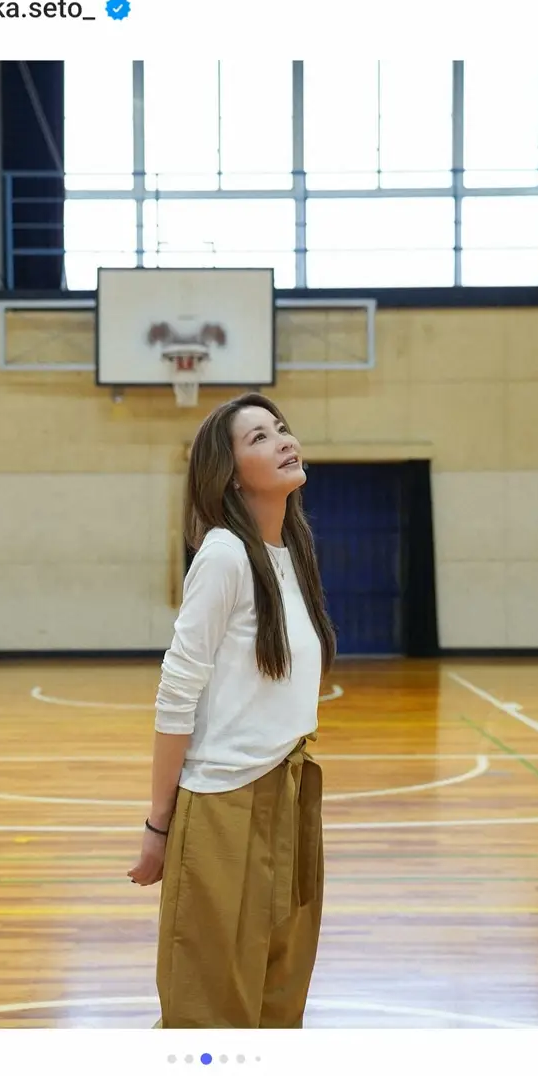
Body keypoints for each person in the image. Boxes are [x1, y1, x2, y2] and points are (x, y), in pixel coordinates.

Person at [128, 392, 337, 1028]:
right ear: (230, 473)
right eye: (259, 438)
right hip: (223, 803)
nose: (283, 440)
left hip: (290, 791)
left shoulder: (293, 553)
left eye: (281, 428)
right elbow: (176, 693)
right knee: (209, 1011)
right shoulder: (223, 555)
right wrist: (159, 826)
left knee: (279, 994)